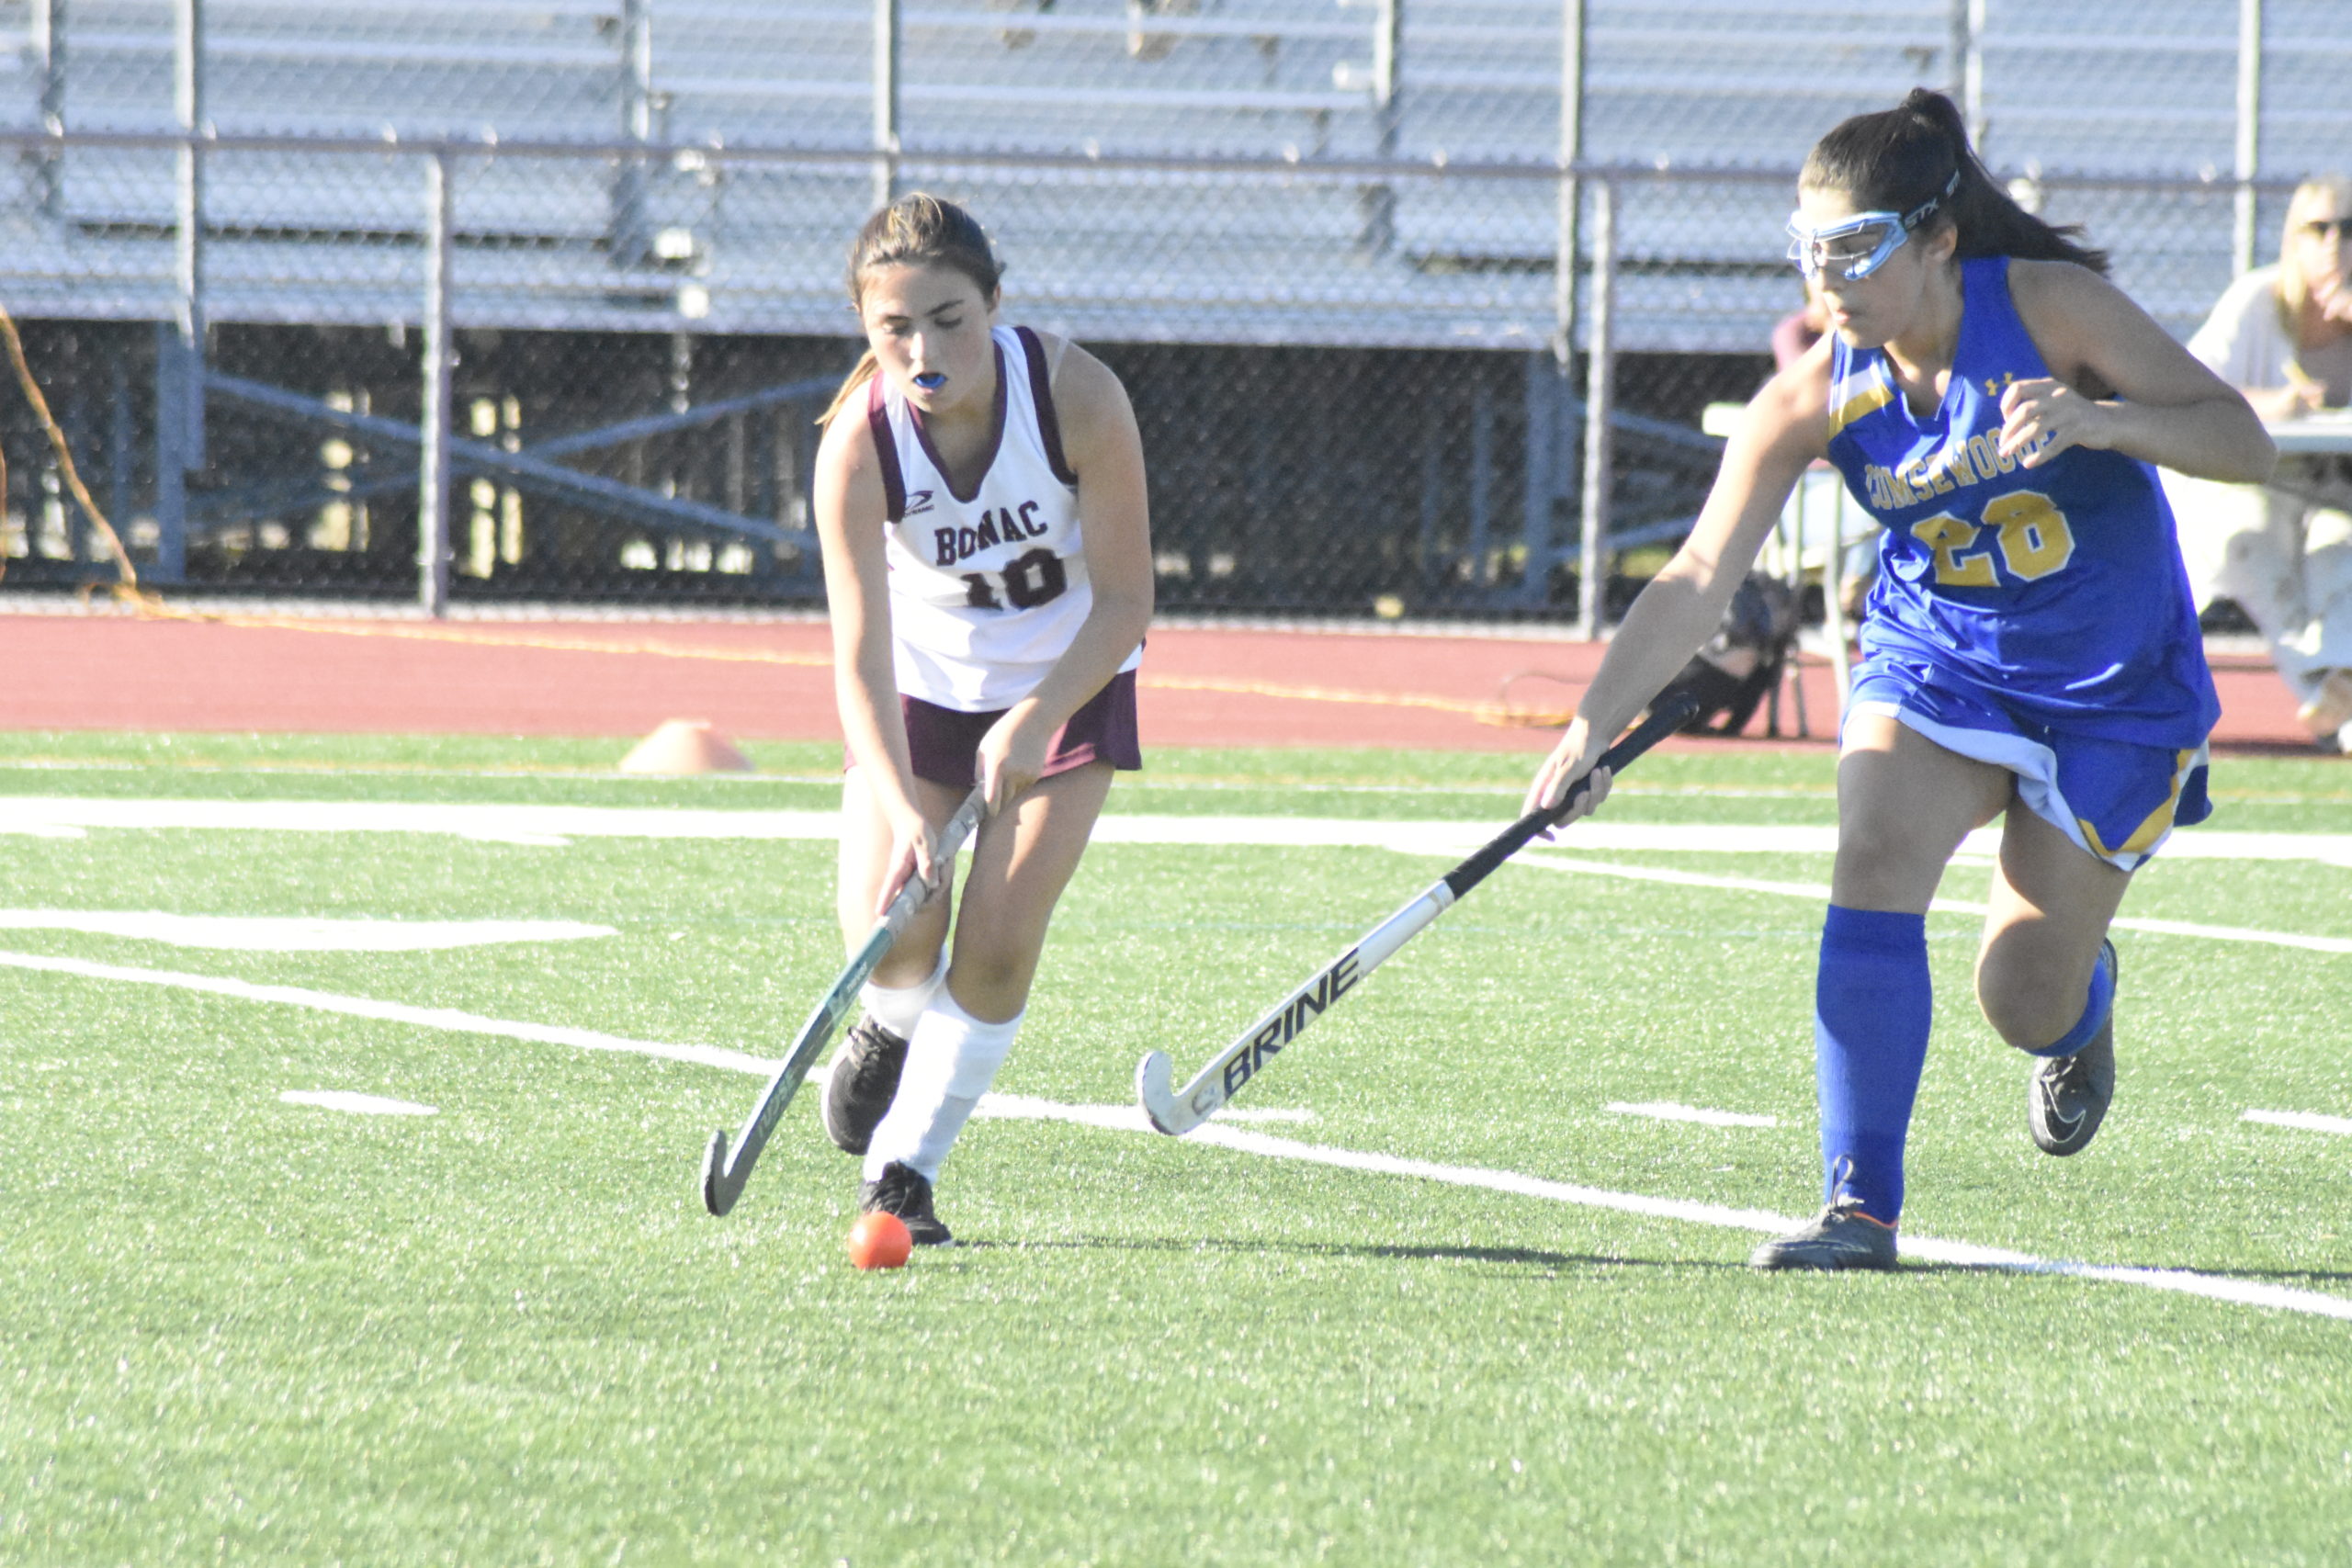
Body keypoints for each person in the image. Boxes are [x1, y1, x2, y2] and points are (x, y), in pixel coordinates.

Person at [1523, 89, 2275, 1271]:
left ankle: (2080, 1006)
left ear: (1936, 240)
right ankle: (1857, 1208)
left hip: (2111, 685)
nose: (1827, 282)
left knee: (2019, 999)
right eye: (1808, 253)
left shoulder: (2048, 309)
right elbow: (1699, 570)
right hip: (1940, 667)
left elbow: (2244, 441)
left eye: (1854, 251)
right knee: (1870, 847)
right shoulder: (1817, 392)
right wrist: (1586, 730)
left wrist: (2100, 421)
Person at [809, 192, 1153, 1245]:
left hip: (1069, 681)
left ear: (995, 306)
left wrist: (1041, 714)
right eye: (894, 328)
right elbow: (857, 660)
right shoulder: (857, 449)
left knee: (996, 946)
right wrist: (895, 795)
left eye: (949, 320)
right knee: (896, 922)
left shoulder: (1080, 398)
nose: (923, 350)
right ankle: (890, 1026)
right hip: (923, 696)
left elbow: (1128, 598)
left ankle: (903, 1172)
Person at [2164, 175, 2352, 749]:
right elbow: (2184, 387)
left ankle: (2332, 703)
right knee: (2257, 543)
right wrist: (2278, 404)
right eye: (2318, 228)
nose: (2334, 245)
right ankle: (2327, 689)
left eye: (2349, 230)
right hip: (2242, 478)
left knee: (2339, 552)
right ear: (2292, 239)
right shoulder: (2257, 300)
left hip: (2330, 488)